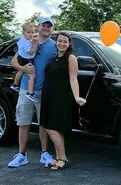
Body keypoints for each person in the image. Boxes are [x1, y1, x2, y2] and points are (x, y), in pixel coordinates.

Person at [8, 17, 57, 168]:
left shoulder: (55, 46)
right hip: (25, 89)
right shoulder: (27, 40)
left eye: (49, 26)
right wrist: (24, 69)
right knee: (23, 122)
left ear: (52, 29)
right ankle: (22, 155)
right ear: (39, 27)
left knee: (43, 124)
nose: (46, 28)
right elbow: (14, 62)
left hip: (44, 90)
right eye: (44, 25)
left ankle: (44, 154)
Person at [40, 32, 86, 170]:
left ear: (69, 44)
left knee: (51, 127)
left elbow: (73, 79)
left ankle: (63, 158)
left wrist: (77, 97)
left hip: (61, 97)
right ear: (56, 42)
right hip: (48, 96)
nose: (62, 43)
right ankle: (59, 157)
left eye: (65, 42)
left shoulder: (71, 58)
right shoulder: (54, 57)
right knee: (54, 128)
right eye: (59, 41)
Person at [10, 22, 38, 103]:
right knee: (32, 76)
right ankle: (30, 92)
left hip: (21, 58)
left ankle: (15, 84)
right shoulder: (26, 42)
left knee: (21, 71)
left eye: (32, 32)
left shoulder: (22, 39)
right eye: (28, 32)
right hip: (27, 59)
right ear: (23, 33)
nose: (31, 34)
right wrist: (33, 44)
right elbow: (31, 53)